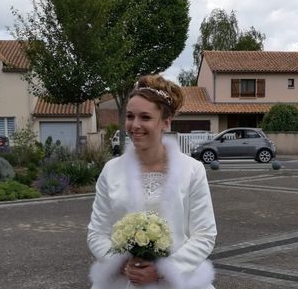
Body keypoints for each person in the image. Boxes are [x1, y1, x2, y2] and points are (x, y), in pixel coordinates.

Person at [87, 75, 217, 289]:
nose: (135, 125)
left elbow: (204, 235)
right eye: (130, 116)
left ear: (165, 122)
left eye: (145, 117)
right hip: (123, 281)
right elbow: (97, 232)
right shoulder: (111, 171)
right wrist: (121, 264)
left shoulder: (192, 170)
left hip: (178, 281)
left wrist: (163, 271)